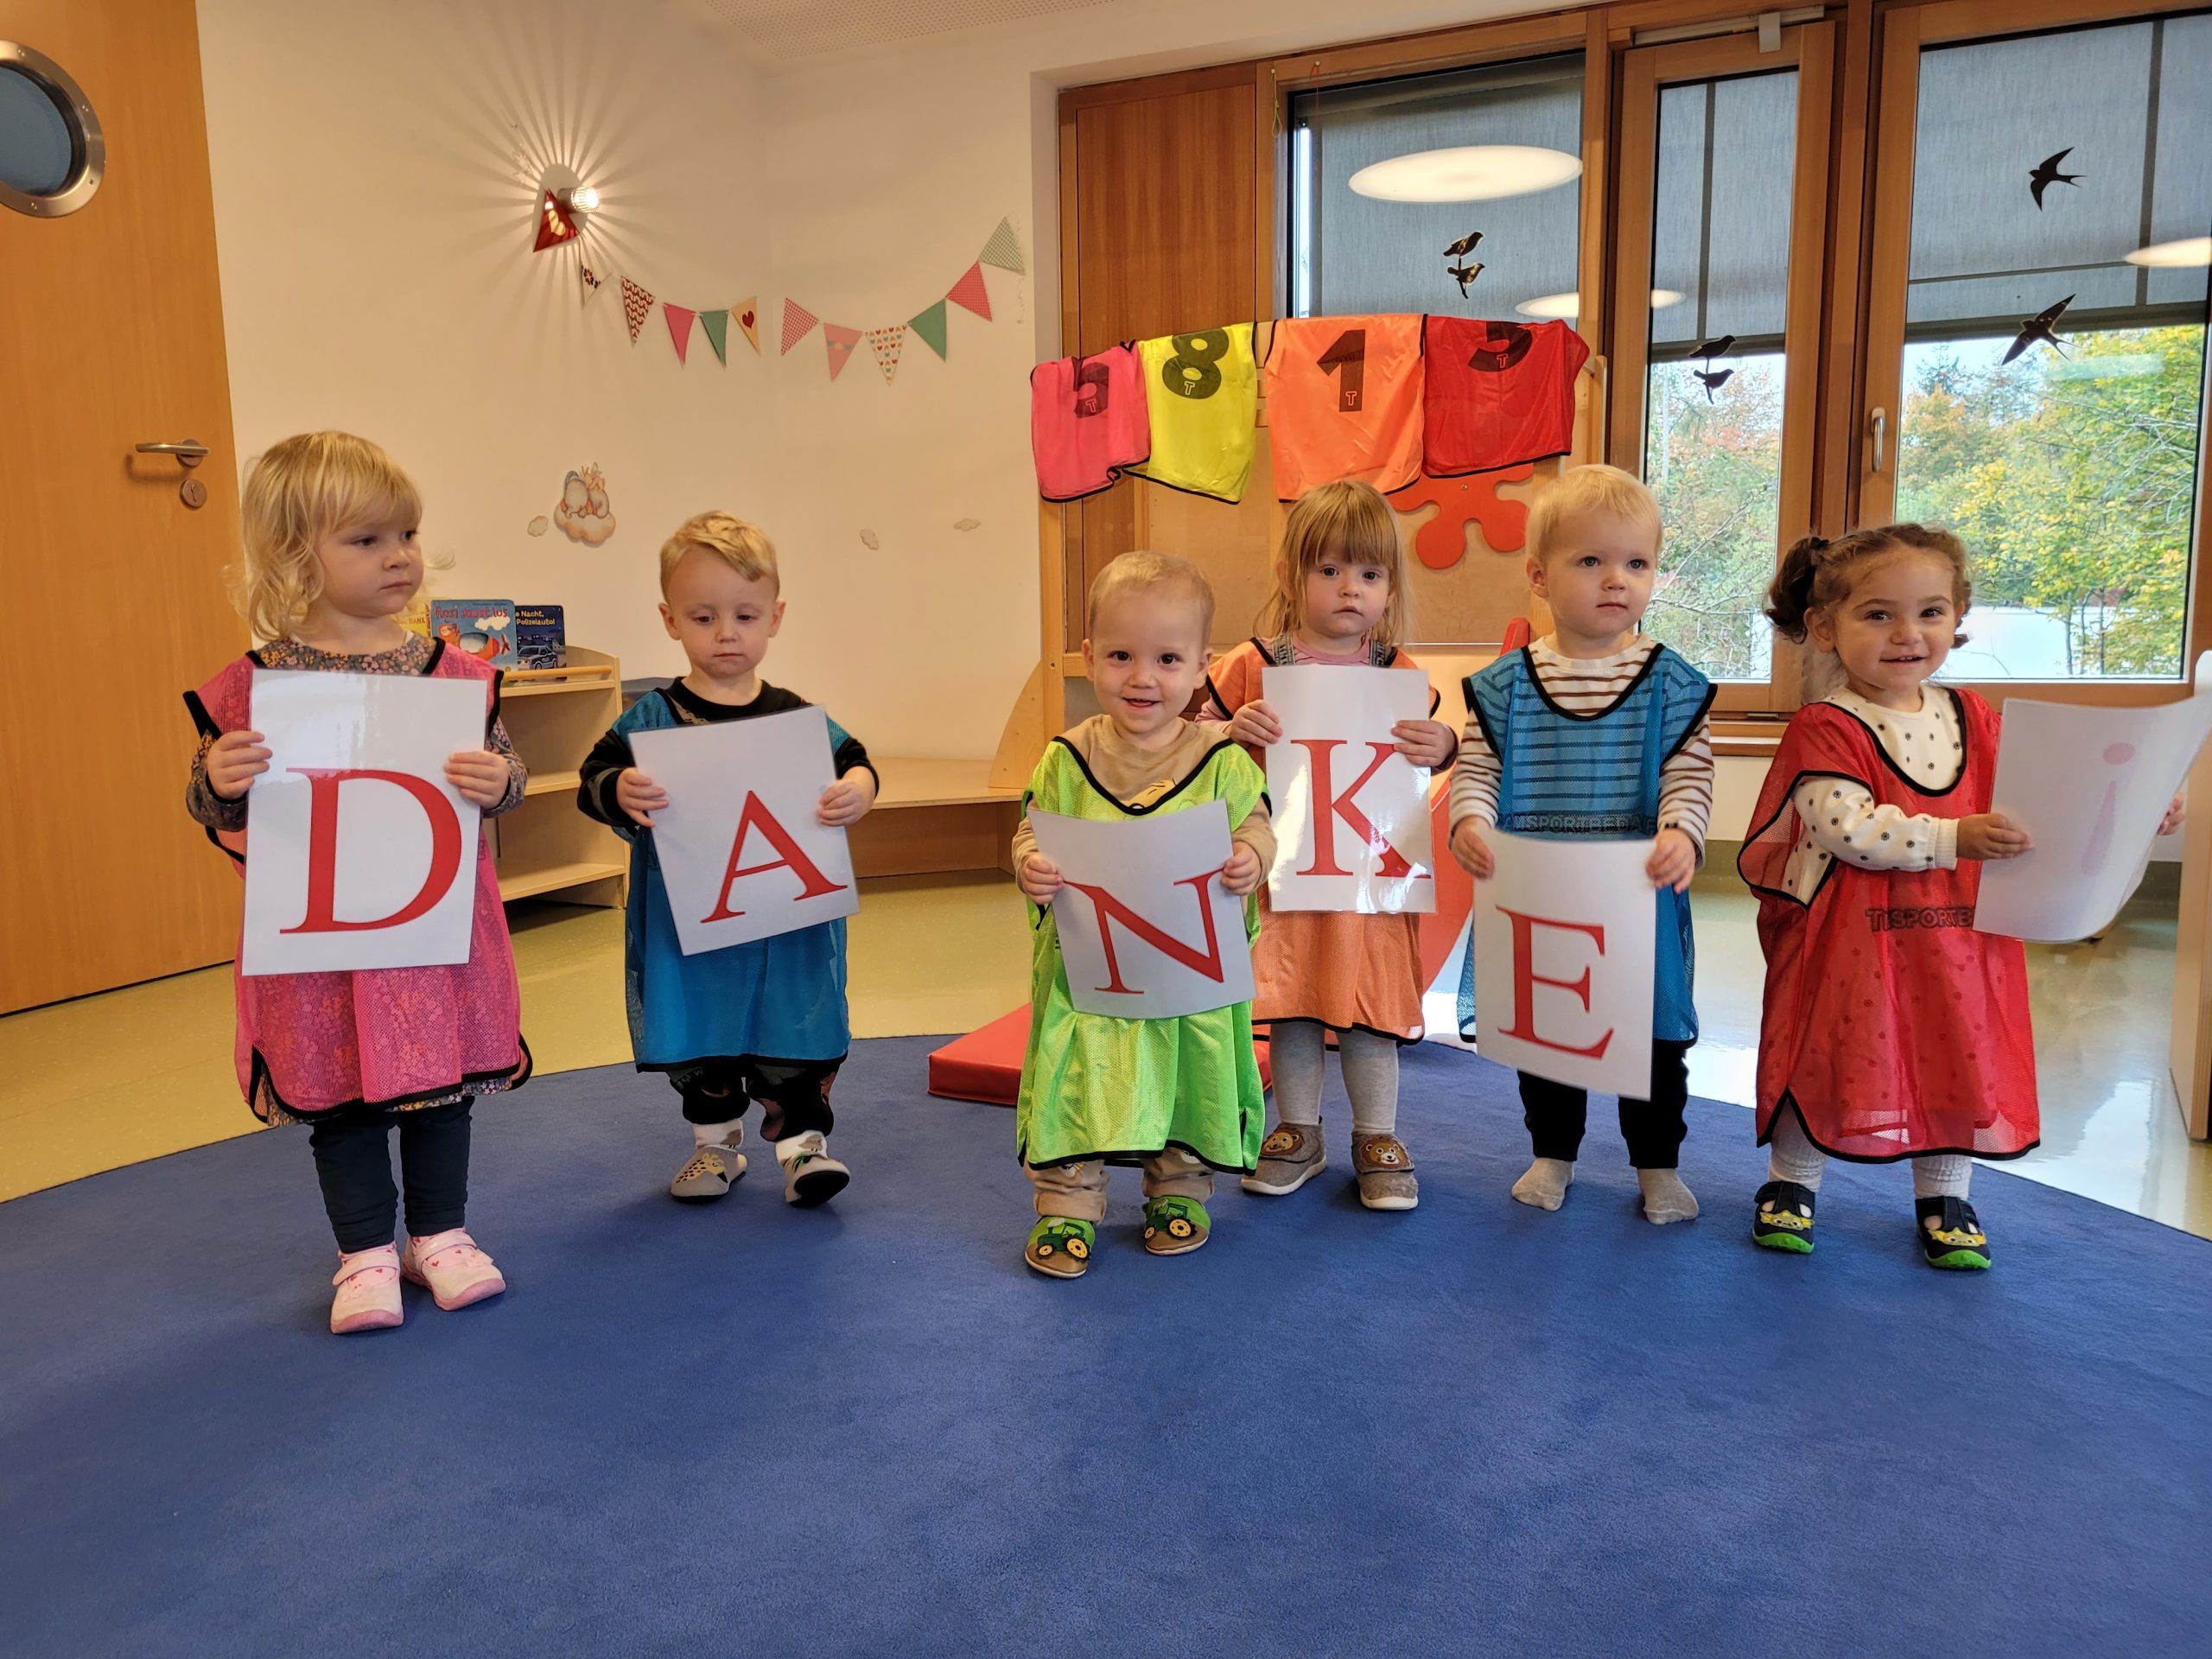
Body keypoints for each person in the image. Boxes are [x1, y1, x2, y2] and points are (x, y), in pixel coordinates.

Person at [1738, 524, 2179, 1268]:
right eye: (1878, 614)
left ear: (1959, 619)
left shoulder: (1974, 717)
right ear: (1824, 626)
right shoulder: (1828, 725)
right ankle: (1792, 1182)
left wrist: (2139, 798)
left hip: (1962, 943)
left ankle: (1945, 1194)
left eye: (1931, 612)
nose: (1908, 634)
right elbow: (1847, 827)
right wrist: (1955, 838)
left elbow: (2051, 791)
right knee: (1827, 1053)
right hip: (1853, 944)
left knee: (1958, 1052)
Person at [185, 431, 528, 1334]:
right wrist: (219, 781)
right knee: (340, 1096)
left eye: (406, 534)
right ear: (298, 555)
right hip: (324, 947)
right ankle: (366, 1251)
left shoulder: (453, 676)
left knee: (440, 1088)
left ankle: (442, 1237)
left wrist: (501, 780)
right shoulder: (254, 689)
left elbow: (500, 775)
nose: (401, 556)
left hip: (429, 933)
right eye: (367, 540)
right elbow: (214, 806)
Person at [577, 512, 877, 1208]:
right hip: (693, 927)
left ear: (775, 617)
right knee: (707, 1046)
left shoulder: (795, 718)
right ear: (669, 620)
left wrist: (856, 791)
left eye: (744, 615)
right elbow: (595, 778)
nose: (725, 633)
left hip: (785, 929)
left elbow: (854, 761)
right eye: (703, 616)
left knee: (791, 1036)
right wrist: (619, 787)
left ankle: (804, 1150)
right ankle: (715, 1148)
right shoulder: (650, 719)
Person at [1447, 464, 1715, 1224]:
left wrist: (1681, 832)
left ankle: (1657, 1164)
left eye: (1636, 563)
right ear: (1539, 575)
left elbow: (1690, 772)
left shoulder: (1669, 681)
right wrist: (1469, 822)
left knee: (1655, 1041)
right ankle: (1553, 1152)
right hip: (1539, 889)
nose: (1615, 581)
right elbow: (1479, 765)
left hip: (1637, 890)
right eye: (1590, 561)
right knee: (1548, 1036)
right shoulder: (1505, 685)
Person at [1012, 550, 1274, 1278]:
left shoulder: (1224, 763)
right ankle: (1068, 1199)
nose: (1142, 678)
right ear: (1090, 658)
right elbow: (1034, 828)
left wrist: (1251, 856)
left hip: (1187, 976)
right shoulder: (1065, 759)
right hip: (1091, 974)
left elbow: (1255, 824)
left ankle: (1179, 1186)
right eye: (1122, 655)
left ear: (1201, 668)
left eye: (1166, 658)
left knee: (1188, 1075)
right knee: (1080, 1075)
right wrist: (1030, 865)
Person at [1200, 480, 1456, 1210]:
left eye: (1370, 575)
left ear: (1390, 586)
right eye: (1331, 571)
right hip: (1284, 875)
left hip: (1368, 879)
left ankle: (1377, 1133)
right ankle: (1299, 1130)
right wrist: (1226, 731)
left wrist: (1444, 745)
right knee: (1296, 1000)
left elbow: (1430, 756)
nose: (1352, 589)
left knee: (1368, 1002)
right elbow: (1181, 741)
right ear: (1292, 576)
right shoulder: (1253, 664)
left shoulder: (1397, 672)